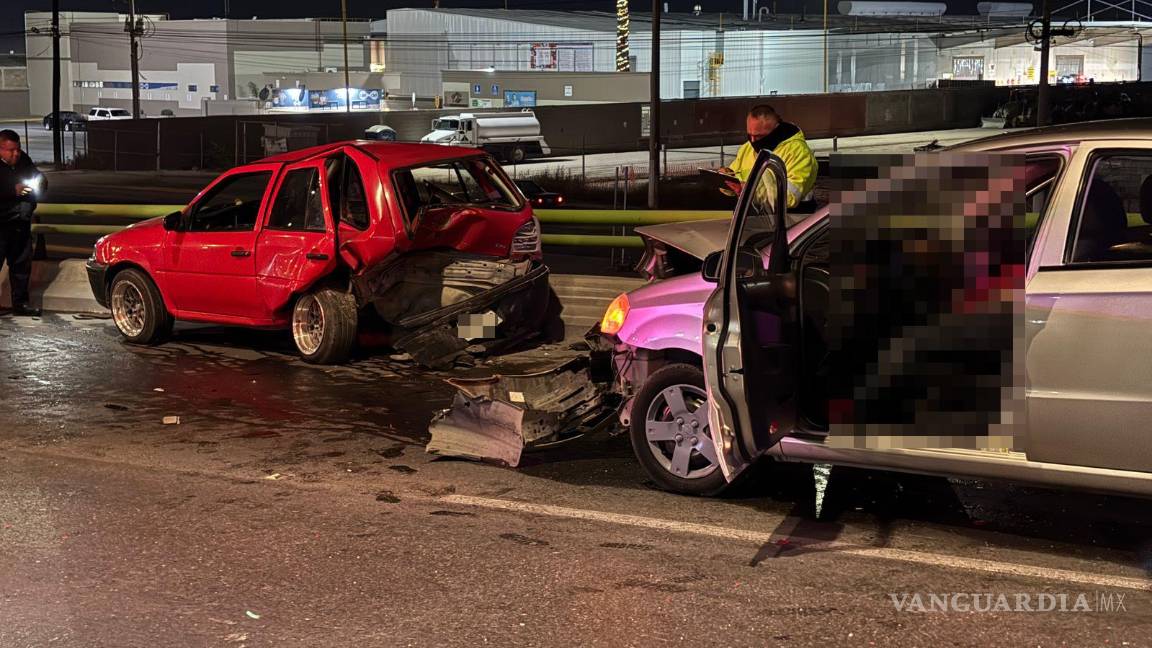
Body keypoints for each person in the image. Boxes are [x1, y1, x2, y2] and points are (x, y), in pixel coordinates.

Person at [720, 104, 818, 210]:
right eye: (749, 135)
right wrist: (725, 178)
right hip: (754, 217)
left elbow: (789, 198)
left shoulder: (798, 152)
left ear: (776, 129)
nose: (752, 141)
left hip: (792, 220)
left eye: (759, 136)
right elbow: (736, 179)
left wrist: (747, 191)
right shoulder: (747, 148)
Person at [0, 129, 45, 316]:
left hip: (20, 222)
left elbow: (36, 178)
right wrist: (12, 190)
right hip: (0, 224)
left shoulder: (23, 160)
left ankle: (20, 304)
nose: (16, 154)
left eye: (17, 149)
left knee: (21, 265)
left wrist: (41, 182)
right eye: (11, 150)